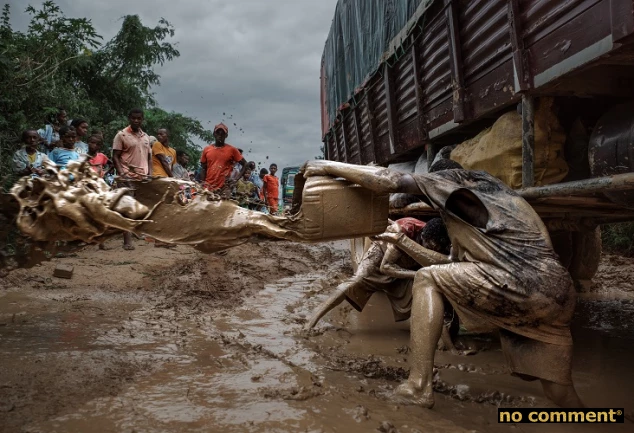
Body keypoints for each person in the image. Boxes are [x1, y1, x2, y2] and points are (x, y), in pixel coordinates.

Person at [299, 158, 583, 409]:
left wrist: (326, 166)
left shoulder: (451, 182)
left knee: (426, 277)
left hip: (518, 282)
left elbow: (389, 181)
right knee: (560, 394)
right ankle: (603, 420)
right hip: (559, 292)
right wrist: (400, 242)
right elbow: (452, 267)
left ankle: (418, 387)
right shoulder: (495, 195)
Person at [112, 108, 152, 250]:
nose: (136, 120)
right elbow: (115, 156)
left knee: (139, 208)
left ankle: (137, 232)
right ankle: (127, 241)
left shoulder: (146, 137)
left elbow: (149, 157)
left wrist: (150, 175)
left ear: (142, 119)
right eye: (133, 118)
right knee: (126, 209)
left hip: (142, 178)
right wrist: (123, 174)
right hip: (127, 177)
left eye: (139, 118)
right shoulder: (121, 135)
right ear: (129, 118)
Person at [200, 123, 247, 196]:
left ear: (226, 135)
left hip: (224, 187)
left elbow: (245, 164)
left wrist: (235, 179)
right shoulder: (207, 149)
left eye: (222, 133)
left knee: (223, 207)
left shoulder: (232, 150)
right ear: (214, 134)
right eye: (218, 132)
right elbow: (203, 168)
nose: (220, 135)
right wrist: (202, 184)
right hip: (208, 186)